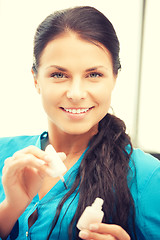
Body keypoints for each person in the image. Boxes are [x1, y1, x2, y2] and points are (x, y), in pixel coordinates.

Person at [0, 6, 160, 240]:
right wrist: (10, 207)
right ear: (36, 79)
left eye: (93, 74)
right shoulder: (4, 153)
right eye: (58, 74)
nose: (76, 93)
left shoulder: (147, 177)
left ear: (115, 77)